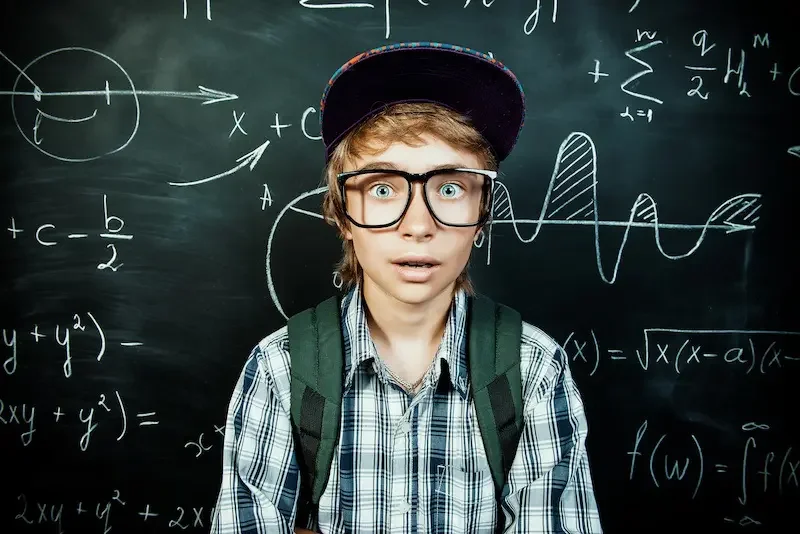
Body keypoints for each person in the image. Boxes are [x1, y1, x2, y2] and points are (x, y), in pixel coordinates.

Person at [211, 41, 602, 533]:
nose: (418, 225)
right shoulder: (279, 369)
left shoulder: (534, 370)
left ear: (482, 215)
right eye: (381, 188)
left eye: (450, 188)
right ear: (342, 214)